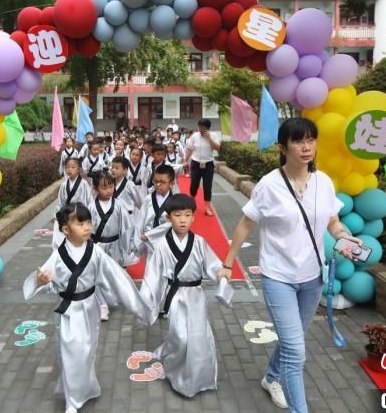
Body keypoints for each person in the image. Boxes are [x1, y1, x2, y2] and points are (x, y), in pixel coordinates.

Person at [218, 117, 362, 413]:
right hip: (278, 277)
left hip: (313, 278)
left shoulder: (324, 182)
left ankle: (271, 377)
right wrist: (228, 263)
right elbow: (245, 224)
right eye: (298, 141)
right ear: (284, 148)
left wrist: (345, 238)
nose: (306, 147)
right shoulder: (269, 185)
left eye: (311, 139)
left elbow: (332, 221)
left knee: (291, 339)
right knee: (296, 351)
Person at [24, 203, 152, 413]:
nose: (87, 227)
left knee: (86, 352)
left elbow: (117, 279)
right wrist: (41, 281)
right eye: (80, 223)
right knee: (70, 350)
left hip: (90, 308)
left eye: (88, 222)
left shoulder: (96, 253)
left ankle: (87, 388)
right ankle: (72, 401)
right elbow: (46, 281)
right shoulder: (58, 256)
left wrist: (139, 307)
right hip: (68, 311)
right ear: (66, 230)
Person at [140, 194, 232, 398]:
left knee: (199, 336)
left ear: (193, 218)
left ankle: (199, 378)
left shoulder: (199, 242)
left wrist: (219, 273)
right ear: (168, 218)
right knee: (181, 336)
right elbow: (153, 275)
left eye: (187, 215)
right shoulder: (162, 245)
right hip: (176, 297)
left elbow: (212, 264)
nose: (182, 219)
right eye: (177, 215)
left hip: (196, 295)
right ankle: (175, 370)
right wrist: (146, 300)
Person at [89, 171, 134, 320]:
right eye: (104, 187)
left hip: (114, 245)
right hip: (97, 245)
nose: (109, 190)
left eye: (111, 186)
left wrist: (127, 246)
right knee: (96, 275)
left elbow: (126, 227)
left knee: (112, 274)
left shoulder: (119, 205)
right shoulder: (91, 207)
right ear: (95, 189)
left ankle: (111, 298)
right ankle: (102, 305)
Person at [134, 164, 175, 257]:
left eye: (162, 182)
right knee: (150, 269)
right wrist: (138, 243)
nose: (158, 184)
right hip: (149, 243)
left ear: (171, 183)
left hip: (167, 242)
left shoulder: (175, 202)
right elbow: (140, 221)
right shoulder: (148, 199)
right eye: (155, 181)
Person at [53, 158, 94, 248]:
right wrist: (57, 215)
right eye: (67, 167)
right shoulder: (64, 185)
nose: (69, 170)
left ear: (79, 169)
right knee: (67, 235)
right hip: (68, 214)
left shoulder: (84, 184)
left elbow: (89, 200)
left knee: (79, 235)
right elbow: (61, 201)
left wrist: (89, 215)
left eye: (73, 167)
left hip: (80, 214)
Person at [183, 119, 220, 216]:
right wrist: (185, 160)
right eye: (199, 127)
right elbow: (189, 149)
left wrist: (209, 139)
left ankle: (207, 207)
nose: (200, 129)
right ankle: (192, 204)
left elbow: (218, 148)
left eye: (202, 127)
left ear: (207, 128)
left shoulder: (213, 135)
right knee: (194, 184)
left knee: (207, 186)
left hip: (208, 164)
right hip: (196, 163)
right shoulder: (194, 136)